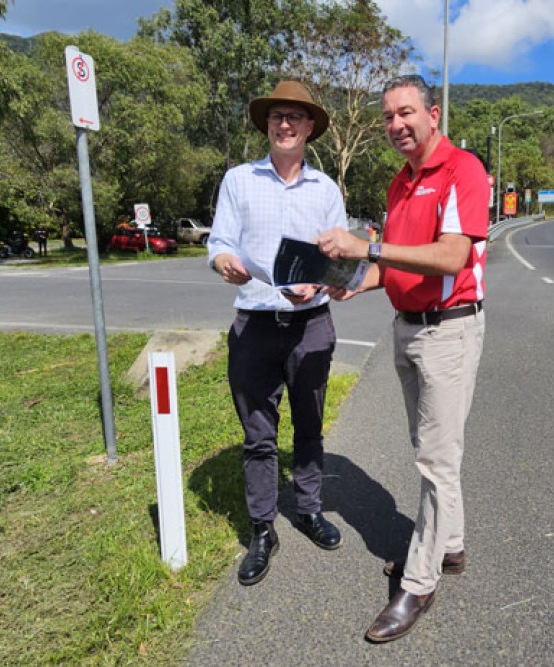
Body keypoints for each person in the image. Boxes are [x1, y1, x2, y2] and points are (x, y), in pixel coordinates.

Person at [316, 74, 489, 642]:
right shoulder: (399, 185)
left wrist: (365, 245)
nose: (396, 125)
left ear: (432, 114)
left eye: (406, 113)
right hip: (406, 329)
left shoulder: (464, 170)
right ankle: (453, 547)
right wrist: (349, 282)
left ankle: (419, 582)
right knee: (431, 450)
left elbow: (449, 256)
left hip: (448, 332)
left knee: (436, 460)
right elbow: (395, 264)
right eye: (388, 117)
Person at [206, 81, 347, 586]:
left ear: (310, 127)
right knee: (258, 435)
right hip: (255, 325)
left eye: (294, 117)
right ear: (266, 126)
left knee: (308, 425)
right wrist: (223, 260)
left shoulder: (327, 189)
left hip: (311, 325)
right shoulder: (239, 181)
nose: (284, 124)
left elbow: (341, 261)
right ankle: (263, 528)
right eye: (276, 117)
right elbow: (221, 241)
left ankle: (308, 509)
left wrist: (320, 286)